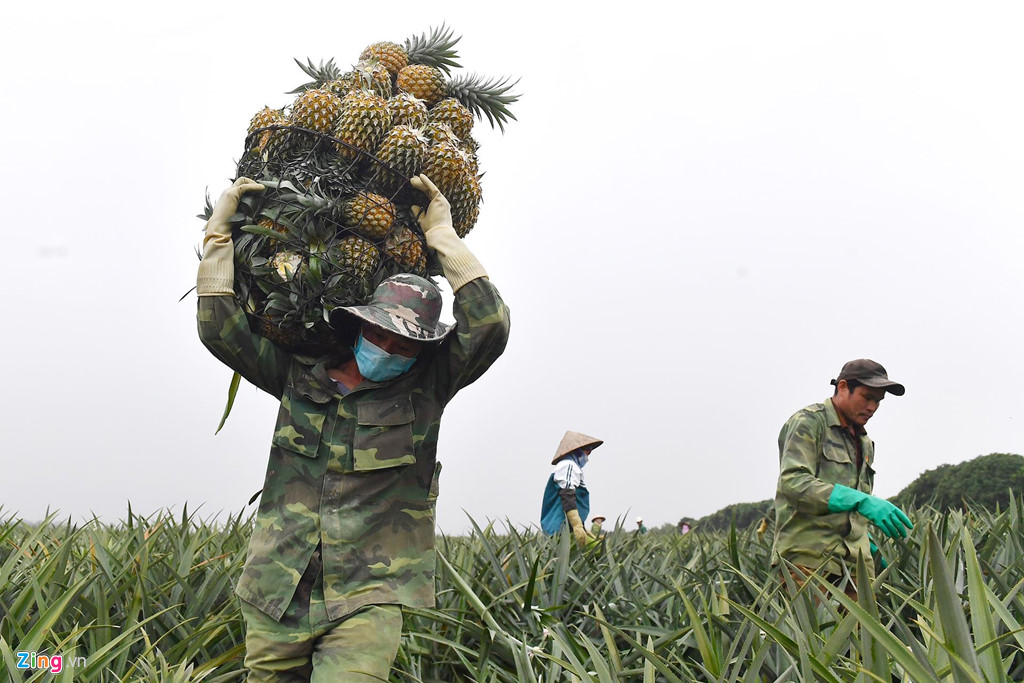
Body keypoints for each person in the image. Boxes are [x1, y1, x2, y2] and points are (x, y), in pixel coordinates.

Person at [196, 174, 510, 681]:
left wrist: (444, 239)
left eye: (409, 344)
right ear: (363, 323)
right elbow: (218, 326)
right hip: (277, 588)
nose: (392, 348)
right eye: (384, 333)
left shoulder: (425, 392)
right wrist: (219, 233)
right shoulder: (299, 378)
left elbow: (490, 325)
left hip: (367, 597)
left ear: (426, 349)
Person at [771, 359, 913, 598]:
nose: (872, 407)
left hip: (857, 564)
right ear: (844, 387)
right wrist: (860, 501)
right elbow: (793, 483)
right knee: (816, 635)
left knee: (862, 635)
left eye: (878, 401)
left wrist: (863, 534)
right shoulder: (809, 422)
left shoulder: (864, 442)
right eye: (867, 397)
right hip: (809, 560)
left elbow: (854, 500)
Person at [540, 431, 603, 547]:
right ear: (577, 450)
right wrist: (577, 526)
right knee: (600, 552)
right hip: (561, 531)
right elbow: (567, 493)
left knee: (597, 549)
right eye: (587, 453)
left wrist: (582, 527)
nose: (587, 458)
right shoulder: (568, 465)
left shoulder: (569, 466)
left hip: (566, 529)